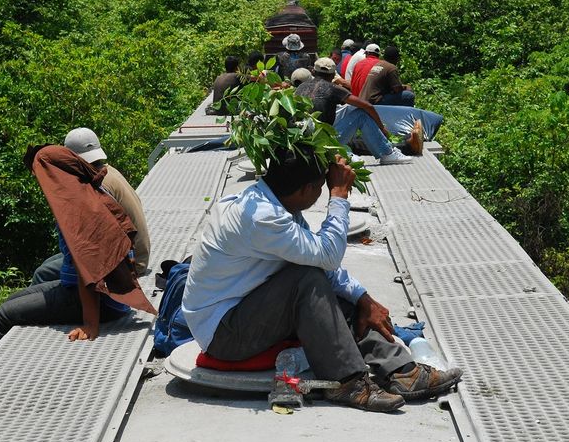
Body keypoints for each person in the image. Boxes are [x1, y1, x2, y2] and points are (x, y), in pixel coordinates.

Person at [182, 148, 463, 412]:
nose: (321, 194)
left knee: (333, 290)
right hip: (223, 333)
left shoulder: (272, 204)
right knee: (308, 281)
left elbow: (320, 261)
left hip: (247, 310)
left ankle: (401, 371)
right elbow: (327, 257)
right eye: (320, 188)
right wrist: (339, 197)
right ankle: (346, 382)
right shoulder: (262, 218)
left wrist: (363, 298)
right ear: (305, 190)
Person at [0, 145, 156, 414]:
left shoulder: (77, 208)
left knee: (2, 316)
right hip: (91, 292)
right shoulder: (83, 193)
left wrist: (90, 325)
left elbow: (88, 270)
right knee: (11, 302)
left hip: (101, 300)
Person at [31, 128, 151, 284]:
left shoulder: (96, 184)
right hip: (137, 253)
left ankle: (65, 306)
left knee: (42, 273)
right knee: (49, 263)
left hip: (129, 263)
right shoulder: (109, 171)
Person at [295, 58, 410, 164]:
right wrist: (382, 128)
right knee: (361, 115)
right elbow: (368, 106)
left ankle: (346, 153)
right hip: (325, 142)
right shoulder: (333, 88)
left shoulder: (300, 88)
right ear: (332, 75)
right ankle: (387, 153)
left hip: (303, 141)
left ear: (314, 72)